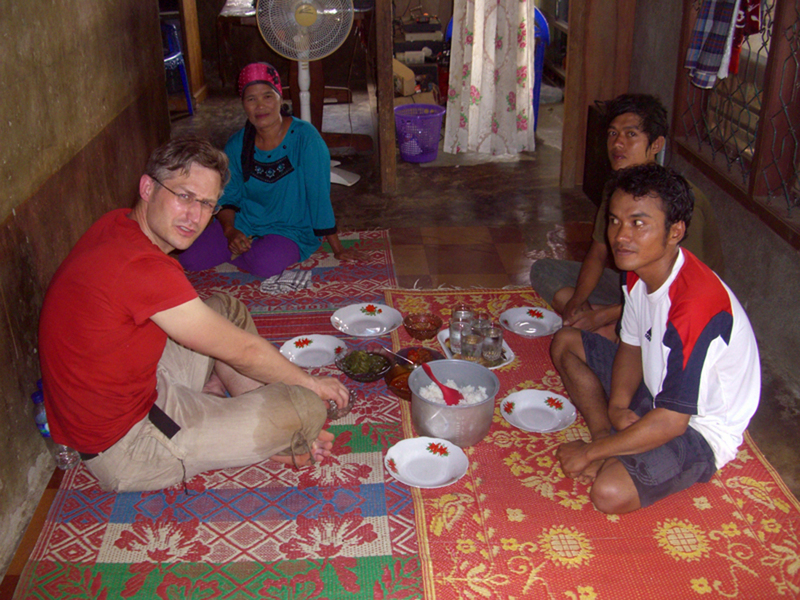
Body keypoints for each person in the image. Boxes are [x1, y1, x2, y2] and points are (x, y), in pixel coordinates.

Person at [38, 136, 350, 493]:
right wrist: (309, 383)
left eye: (207, 204)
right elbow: (244, 353)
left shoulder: (117, 223)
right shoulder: (141, 267)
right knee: (307, 408)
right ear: (147, 187)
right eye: (183, 196)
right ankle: (271, 430)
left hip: (137, 383)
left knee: (226, 308)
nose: (195, 216)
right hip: (130, 445)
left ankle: (248, 418)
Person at [550, 163, 760, 514]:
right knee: (566, 341)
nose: (620, 236)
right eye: (615, 220)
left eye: (638, 223)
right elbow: (631, 346)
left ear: (675, 231)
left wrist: (588, 454)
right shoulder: (637, 274)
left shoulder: (695, 306)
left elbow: (672, 422)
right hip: (655, 390)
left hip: (698, 427)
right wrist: (616, 410)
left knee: (609, 492)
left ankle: (612, 450)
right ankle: (607, 438)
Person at [530, 94, 724, 339]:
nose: (617, 144)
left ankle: (613, 326)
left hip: (676, 300)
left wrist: (600, 316)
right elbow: (598, 252)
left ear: (656, 144)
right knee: (544, 270)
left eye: (631, 134)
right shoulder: (618, 189)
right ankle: (608, 324)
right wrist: (577, 302)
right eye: (612, 134)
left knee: (655, 320)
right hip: (631, 284)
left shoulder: (678, 199)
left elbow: (681, 287)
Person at [177, 62, 362, 278]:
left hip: (291, 227)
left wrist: (338, 249)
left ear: (280, 98)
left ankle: (254, 251)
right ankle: (245, 248)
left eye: (267, 96)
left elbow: (318, 197)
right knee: (189, 258)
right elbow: (229, 196)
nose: (260, 106)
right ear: (243, 104)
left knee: (264, 265)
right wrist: (230, 232)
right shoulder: (237, 144)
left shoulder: (305, 138)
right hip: (246, 221)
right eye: (251, 99)